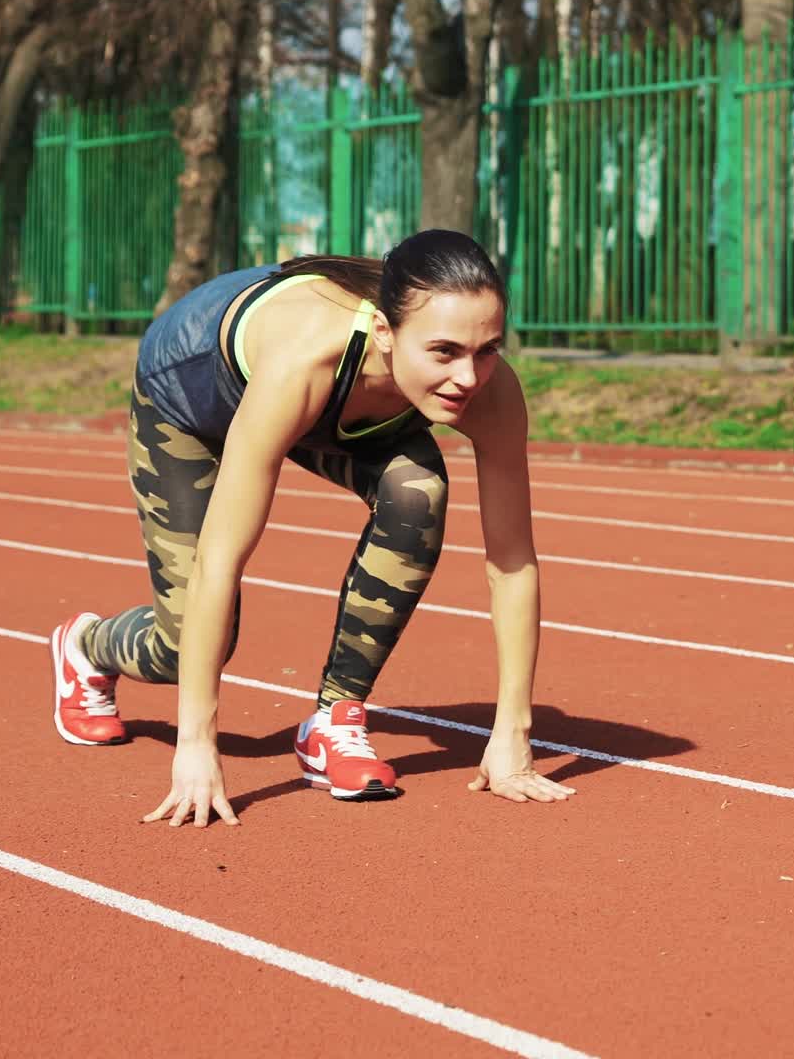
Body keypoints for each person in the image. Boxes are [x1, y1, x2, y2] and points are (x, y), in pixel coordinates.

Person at [49, 229, 574, 825]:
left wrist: (512, 735)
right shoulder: (302, 362)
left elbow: (512, 562)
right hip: (189, 401)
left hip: (342, 406)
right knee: (187, 643)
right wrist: (197, 746)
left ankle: (335, 719)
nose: (468, 377)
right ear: (384, 331)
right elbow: (220, 562)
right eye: (445, 351)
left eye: (488, 349)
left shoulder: (489, 389)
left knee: (418, 488)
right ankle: (86, 646)